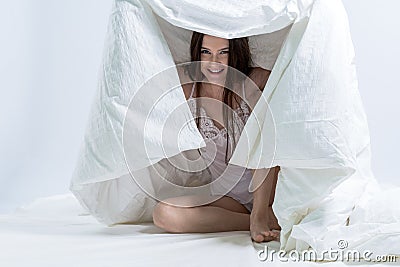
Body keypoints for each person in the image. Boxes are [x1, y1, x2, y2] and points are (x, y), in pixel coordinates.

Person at [152, 32, 281, 243]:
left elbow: (289, 63)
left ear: (235, 54)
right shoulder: (189, 89)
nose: (214, 62)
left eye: (223, 53)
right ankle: (254, 221)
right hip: (229, 198)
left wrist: (261, 209)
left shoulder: (250, 84)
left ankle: (260, 215)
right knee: (163, 214)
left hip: (268, 195)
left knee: (262, 122)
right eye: (206, 52)